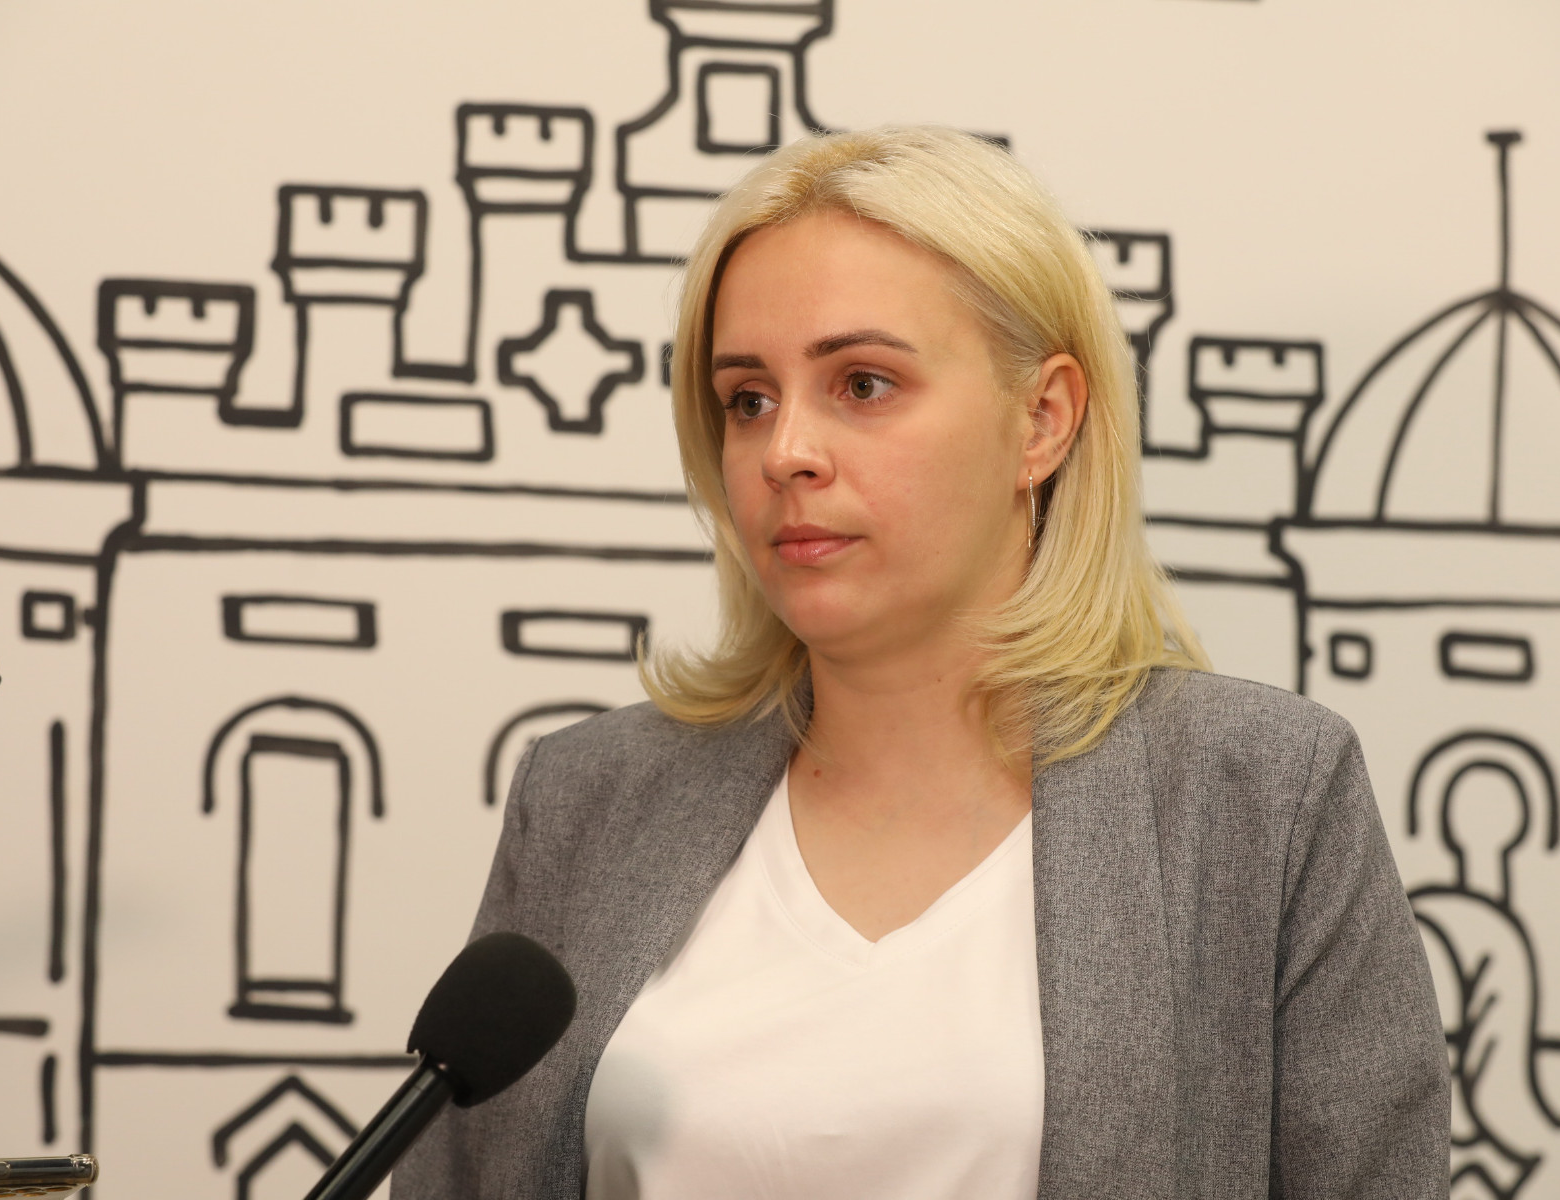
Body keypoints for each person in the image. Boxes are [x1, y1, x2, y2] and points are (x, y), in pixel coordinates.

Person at [394, 125, 1448, 1199]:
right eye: (748, 399)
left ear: (1042, 422)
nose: (785, 452)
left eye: (862, 384)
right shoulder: (589, 795)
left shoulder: (1262, 797)